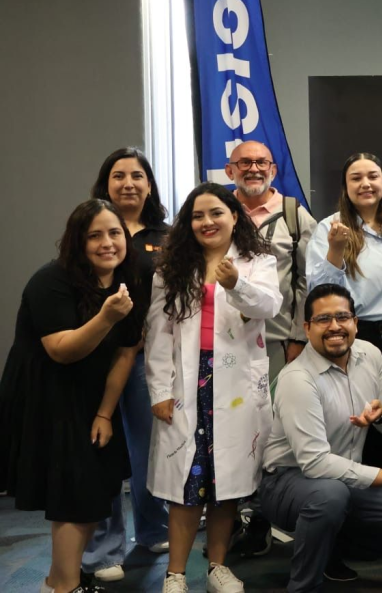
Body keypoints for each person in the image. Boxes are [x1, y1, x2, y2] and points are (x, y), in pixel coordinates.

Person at [0, 199, 146, 593]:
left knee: (97, 490)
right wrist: (106, 317)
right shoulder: (51, 281)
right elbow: (61, 351)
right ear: (77, 242)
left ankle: (60, 580)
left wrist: (104, 412)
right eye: (94, 235)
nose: (107, 243)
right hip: (48, 396)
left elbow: (126, 351)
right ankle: (63, 585)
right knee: (74, 495)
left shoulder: (126, 277)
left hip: (91, 397)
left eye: (114, 233)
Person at [146, 182, 283, 593]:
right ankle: (175, 574)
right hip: (188, 383)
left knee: (227, 484)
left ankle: (217, 567)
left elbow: (269, 307)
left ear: (235, 217)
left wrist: (236, 282)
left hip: (236, 386)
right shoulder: (171, 269)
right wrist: (159, 390)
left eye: (216, 213)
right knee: (187, 484)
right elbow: (157, 334)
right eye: (198, 216)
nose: (207, 222)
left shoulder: (257, 261)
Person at [260, 284, 382, 592]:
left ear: (355, 322)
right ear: (307, 328)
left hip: (342, 480)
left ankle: (328, 549)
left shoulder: (370, 354)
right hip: (286, 481)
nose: (335, 326)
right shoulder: (298, 379)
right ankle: (303, 585)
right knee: (329, 497)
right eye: (324, 319)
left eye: (342, 316)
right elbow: (314, 464)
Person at [307, 152, 382, 470]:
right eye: (356, 178)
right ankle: (352, 499)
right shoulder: (328, 228)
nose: (366, 184)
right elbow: (319, 294)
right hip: (353, 338)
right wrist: (335, 250)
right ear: (345, 186)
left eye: (373, 176)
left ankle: (379, 500)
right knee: (352, 422)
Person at [224, 140, 316, 556]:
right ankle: (241, 516)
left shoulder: (295, 215)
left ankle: (272, 513)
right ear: (230, 171)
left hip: (280, 345)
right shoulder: (214, 211)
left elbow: (308, 282)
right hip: (224, 347)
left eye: (261, 162)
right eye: (245, 163)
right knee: (233, 432)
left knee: (275, 433)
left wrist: (298, 337)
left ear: (274, 169)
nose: (254, 169)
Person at [82, 148, 171, 582]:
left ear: (149, 184)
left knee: (148, 450)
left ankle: (154, 527)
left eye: (137, 175)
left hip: (147, 361)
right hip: (98, 357)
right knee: (102, 449)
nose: (128, 183)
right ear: (106, 183)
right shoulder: (90, 230)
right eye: (118, 175)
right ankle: (105, 547)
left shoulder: (168, 236)